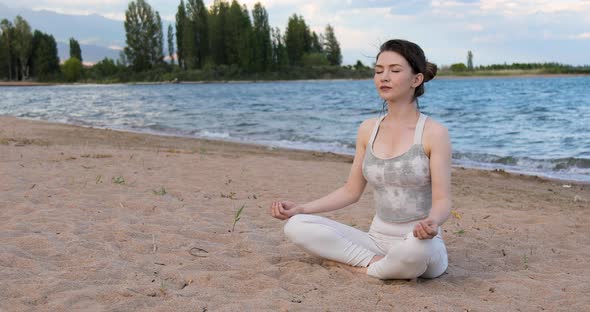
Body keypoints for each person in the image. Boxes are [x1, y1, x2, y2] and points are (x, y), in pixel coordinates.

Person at [269, 39, 452, 280]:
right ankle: (380, 265)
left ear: (416, 80)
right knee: (296, 224)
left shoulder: (434, 132)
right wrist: (302, 208)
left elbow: (443, 200)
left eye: (394, 70)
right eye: (378, 71)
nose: (383, 77)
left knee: (414, 253)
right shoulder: (368, 129)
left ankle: (363, 267)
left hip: (419, 241)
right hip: (376, 240)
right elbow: (351, 191)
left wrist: (432, 222)